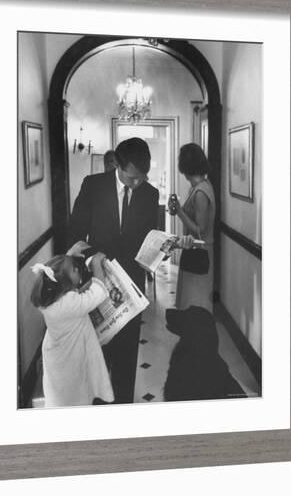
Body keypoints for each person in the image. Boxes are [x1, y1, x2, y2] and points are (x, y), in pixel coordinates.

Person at [68, 137, 159, 403]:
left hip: (131, 286)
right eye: (132, 178)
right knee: (98, 351)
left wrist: (161, 248)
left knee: (127, 353)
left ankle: (122, 408)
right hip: (96, 282)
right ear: (118, 166)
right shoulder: (93, 186)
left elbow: (148, 239)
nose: (137, 183)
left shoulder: (150, 193)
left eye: (142, 177)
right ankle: (98, 405)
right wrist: (92, 258)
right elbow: (73, 233)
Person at [30, 253, 114, 408]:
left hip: (57, 355)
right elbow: (99, 292)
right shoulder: (70, 303)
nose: (78, 269)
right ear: (65, 282)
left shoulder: (51, 300)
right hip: (71, 357)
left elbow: (77, 294)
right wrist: (96, 265)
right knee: (76, 394)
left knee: (61, 395)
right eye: (75, 269)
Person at [168, 143, 216, 312]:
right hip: (193, 248)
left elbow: (199, 229)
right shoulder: (198, 187)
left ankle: (195, 335)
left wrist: (179, 211)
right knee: (190, 300)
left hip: (200, 251)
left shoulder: (201, 192)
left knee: (195, 302)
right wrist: (178, 210)